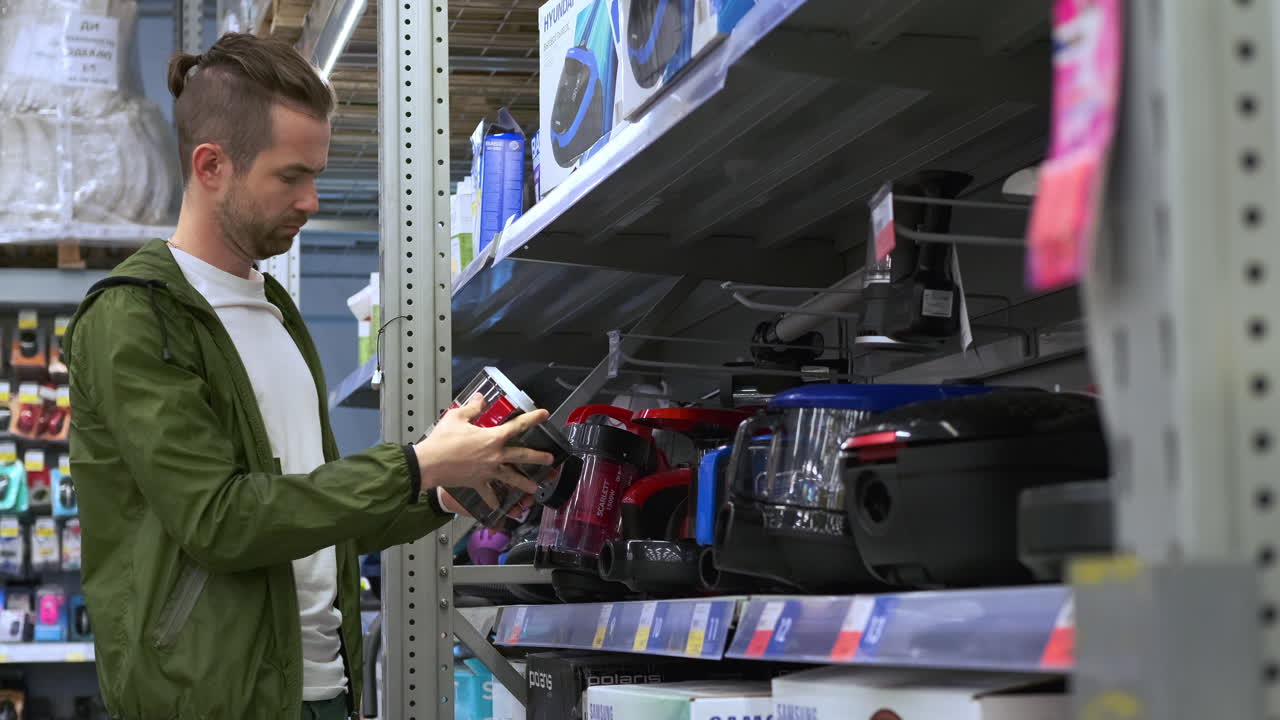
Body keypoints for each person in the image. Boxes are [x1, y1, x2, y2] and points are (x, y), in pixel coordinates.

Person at [64, 33, 549, 720]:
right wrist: (412, 465)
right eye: (291, 176)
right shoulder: (135, 318)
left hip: (324, 691)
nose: (311, 200)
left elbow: (303, 521)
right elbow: (220, 521)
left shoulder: (275, 313)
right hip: (212, 703)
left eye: (315, 176)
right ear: (211, 167)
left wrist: (442, 492)